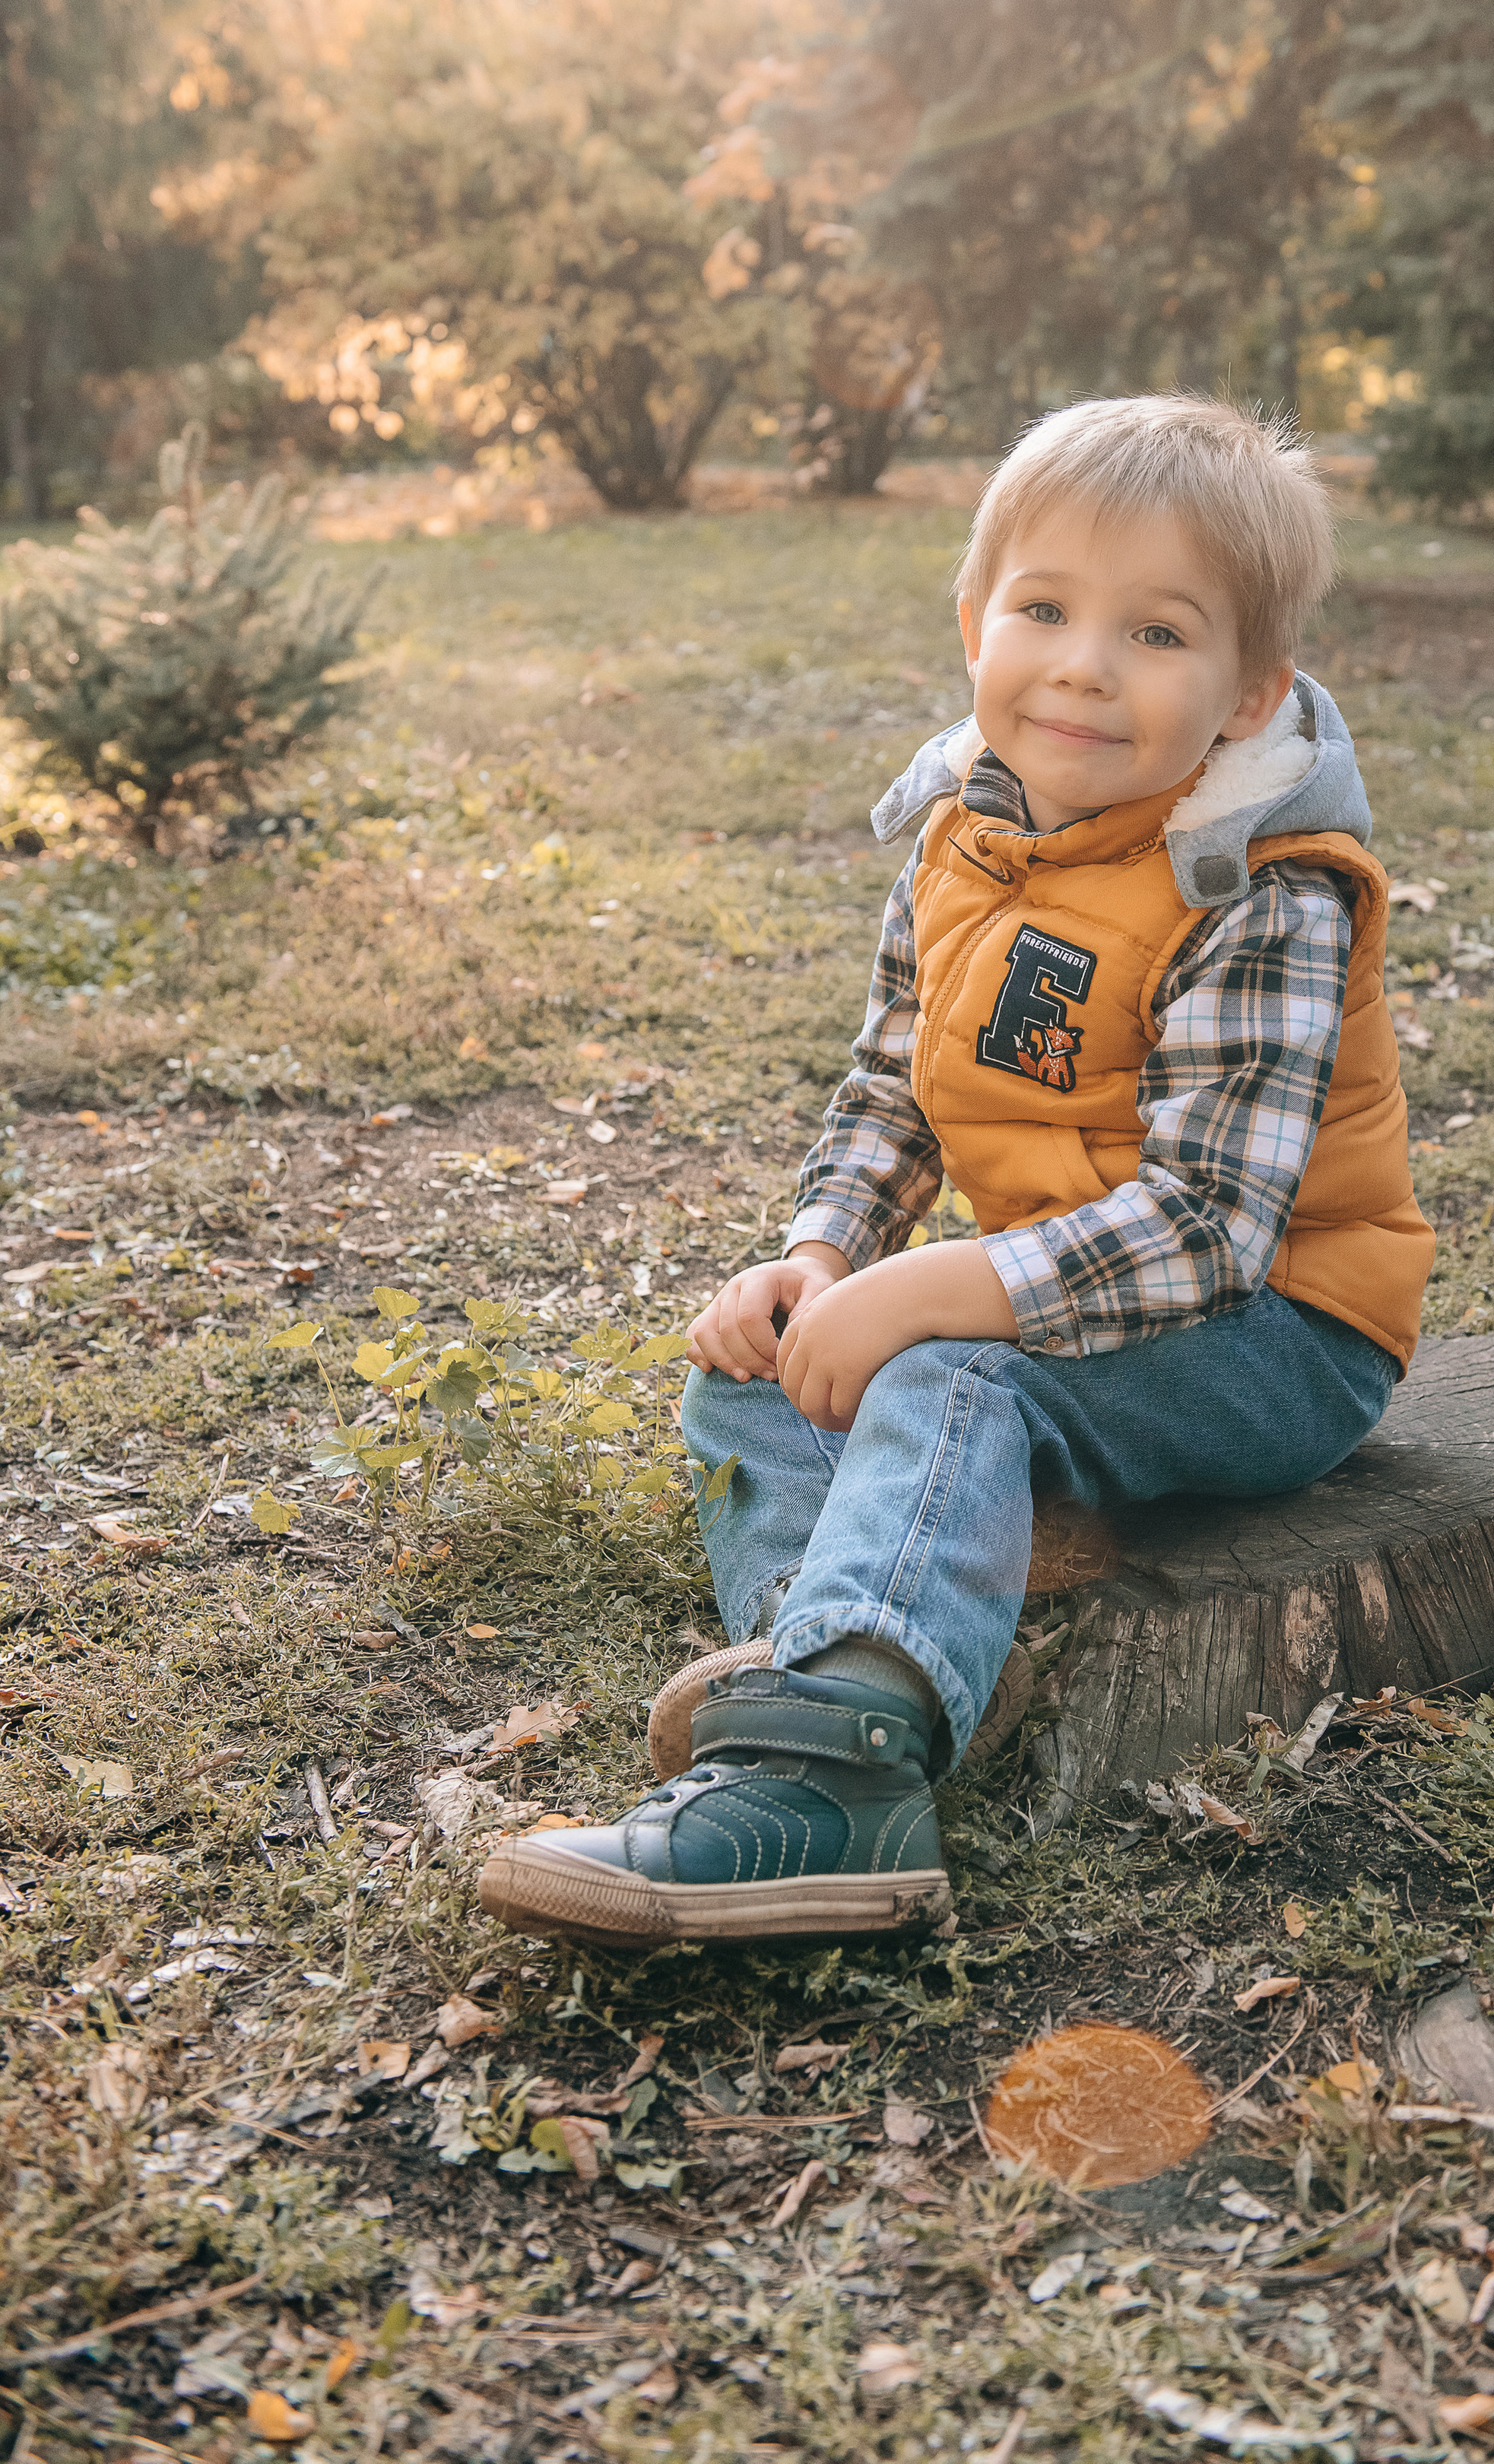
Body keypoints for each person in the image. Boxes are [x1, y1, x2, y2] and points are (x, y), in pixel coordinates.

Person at [477, 395, 1433, 1949]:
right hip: (1064, 1295)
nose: (1082, 665)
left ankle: (835, 1790)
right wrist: (822, 1257)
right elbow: (895, 1094)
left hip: (1279, 1333)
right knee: (755, 1382)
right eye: (1042, 610)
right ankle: (834, 1657)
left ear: (1250, 692)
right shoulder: (960, 835)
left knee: (944, 1376)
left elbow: (1208, 1232)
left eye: (1155, 633)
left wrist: (936, 1292)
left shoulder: (1254, 887)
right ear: (975, 623)